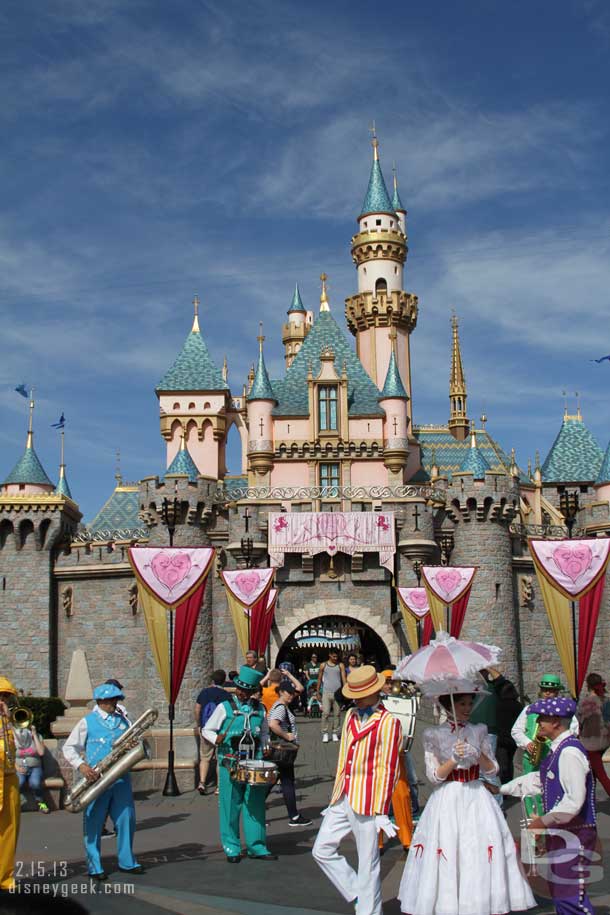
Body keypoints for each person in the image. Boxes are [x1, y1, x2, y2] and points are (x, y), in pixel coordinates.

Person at [398, 686, 535, 915]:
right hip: (448, 797)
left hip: (476, 794)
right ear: (448, 706)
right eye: (462, 704)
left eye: (470, 704)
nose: (467, 709)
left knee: (477, 849)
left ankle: (478, 903)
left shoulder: (479, 730)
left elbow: (493, 770)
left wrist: (476, 753)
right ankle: (450, 904)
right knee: (450, 848)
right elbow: (434, 776)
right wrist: (453, 758)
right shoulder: (433, 734)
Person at [312, 665, 403, 915]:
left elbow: (389, 768)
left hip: (368, 799)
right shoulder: (351, 714)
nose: (355, 698)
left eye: (359, 693)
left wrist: (382, 810)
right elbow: (343, 757)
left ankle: (369, 912)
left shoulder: (389, 722)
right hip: (344, 796)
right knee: (321, 849)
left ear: (374, 692)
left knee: (368, 863)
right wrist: (334, 796)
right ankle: (356, 894)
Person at [500, 696, 597, 915]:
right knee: (562, 893)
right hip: (566, 832)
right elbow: (540, 780)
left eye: (542, 718)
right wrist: (501, 789)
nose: (538, 722)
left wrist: (542, 822)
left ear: (556, 722)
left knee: (571, 896)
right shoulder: (559, 748)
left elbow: (574, 799)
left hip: (577, 833)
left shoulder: (570, 752)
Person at [63, 682, 142, 880]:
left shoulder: (123, 720)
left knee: (127, 820)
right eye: (112, 700)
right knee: (94, 822)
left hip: (121, 779)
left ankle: (127, 861)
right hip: (96, 780)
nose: (115, 703)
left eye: (117, 700)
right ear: (101, 701)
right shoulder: (87, 722)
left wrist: (133, 746)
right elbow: (69, 748)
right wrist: (82, 766)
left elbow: (133, 744)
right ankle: (94, 866)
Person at [202, 665, 276, 863]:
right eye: (239, 689)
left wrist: (267, 745)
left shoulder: (260, 709)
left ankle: (257, 846)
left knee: (255, 803)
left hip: (254, 760)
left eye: (247, 691)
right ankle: (232, 847)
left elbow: (264, 732)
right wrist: (215, 738)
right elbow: (206, 729)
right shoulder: (224, 708)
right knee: (230, 804)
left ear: (253, 692)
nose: (241, 693)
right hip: (230, 762)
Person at [511, 673, 579, 818]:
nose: (548, 693)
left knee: (553, 789)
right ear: (540, 691)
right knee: (530, 791)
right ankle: (533, 822)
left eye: (552, 690)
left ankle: (551, 822)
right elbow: (516, 730)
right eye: (544, 689)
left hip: (554, 756)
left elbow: (573, 731)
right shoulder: (529, 709)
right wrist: (527, 743)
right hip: (531, 758)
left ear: (558, 692)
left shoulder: (564, 711)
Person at [267, 680, 312, 827]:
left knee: (280, 781)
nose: (292, 696)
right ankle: (293, 816)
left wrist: (288, 675)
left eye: (292, 693)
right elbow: (273, 724)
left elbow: (300, 688)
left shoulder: (282, 705)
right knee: (284, 782)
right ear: (281, 692)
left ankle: (293, 815)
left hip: (281, 750)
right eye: (289, 693)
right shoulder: (280, 707)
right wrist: (287, 736)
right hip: (282, 750)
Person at [195, 670, 231, 796]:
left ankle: (202, 782)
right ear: (224, 680)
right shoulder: (226, 695)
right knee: (219, 758)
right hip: (219, 732)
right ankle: (218, 787)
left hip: (206, 729)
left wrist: (199, 725)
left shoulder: (204, 692)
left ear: (212, 680)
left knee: (205, 758)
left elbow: (197, 708)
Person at [0, 677, 21, 891]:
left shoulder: (11, 719)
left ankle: (5, 881)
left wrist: (9, 719)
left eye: (5, 696)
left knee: (9, 832)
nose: (2, 700)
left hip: (9, 780)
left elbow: (23, 744)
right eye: (0, 696)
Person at [577, 671, 610, 796]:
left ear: (588, 685)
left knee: (600, 776)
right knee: (592, 775)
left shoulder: (584, 703)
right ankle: (590, 805)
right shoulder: (607, 700)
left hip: (590, 744)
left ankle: (588, 804)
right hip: (606, 741)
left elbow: (579, 724)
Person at [14, 716, 48, 813]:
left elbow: (41, 752)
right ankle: (16, 804)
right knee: (18, 783)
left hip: (35, 768)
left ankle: (41, 803)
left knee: (35, 783)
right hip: (19, 768)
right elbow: (9, 756)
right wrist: (17, 767)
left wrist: (34, 735)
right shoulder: (14, 737)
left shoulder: (38, 736)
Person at [316, 650, 346, 743]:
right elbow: (319, 678)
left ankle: (334, 732)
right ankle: (325, 733)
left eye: (336, 657)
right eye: (334, 656)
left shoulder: (340, 665)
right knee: (325, 713)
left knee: (337, 714)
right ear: (329, 655)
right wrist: (317, 692)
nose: (335, 658)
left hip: (337, 693)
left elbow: (344, 678)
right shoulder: (323, 665)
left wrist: (345, 690)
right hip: (326, 692)